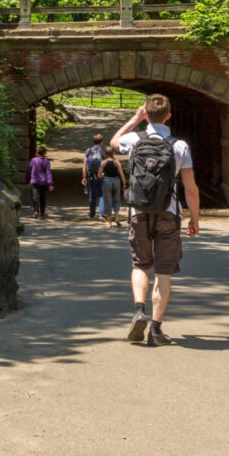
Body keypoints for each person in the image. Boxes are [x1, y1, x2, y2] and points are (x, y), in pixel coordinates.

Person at [112, 94, 200, 347]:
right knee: (164, 272)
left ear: (147, 114)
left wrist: (135, 118)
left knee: (140, 265)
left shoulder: (134, 140)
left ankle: (139, 310)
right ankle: (156, 330)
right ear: (169, 115)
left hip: (138, 211)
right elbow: (190, 188)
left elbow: (114, 141)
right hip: (168, 212)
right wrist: (194, 218)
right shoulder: (179, 145)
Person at [97, 150, 125, 229]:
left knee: (108, 201)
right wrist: (124, 183)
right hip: (116, 181)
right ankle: (116, 218)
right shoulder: (117, 162)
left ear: (105, 154)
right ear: (113, 153)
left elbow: (99, 175)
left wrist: (102, 175)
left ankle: (109, 223)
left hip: (107, 181)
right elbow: (121, 173)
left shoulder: (103, 162)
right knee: (117, 200)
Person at [82, 134, 106, 219]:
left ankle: (92, 213)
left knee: (92, 194)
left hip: (91, 175)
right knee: (102, 194)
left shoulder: (88, 151)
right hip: (101, 175)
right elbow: (105, 163)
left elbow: (84, 165)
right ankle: (101, 213)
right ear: (102, 142)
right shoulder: (102, 151)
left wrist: (84, 177)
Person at [27, 146, 54, 219]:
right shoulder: (46, 161)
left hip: (34, 181)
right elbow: (48, 173)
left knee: (35, 197)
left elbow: (29, 170)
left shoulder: (33, 160)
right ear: (45, 153)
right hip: (43, 182)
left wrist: (27, 179)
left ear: (37, 152)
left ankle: (35, 211)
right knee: (43, 197)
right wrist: (50, 184)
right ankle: (42, 212)